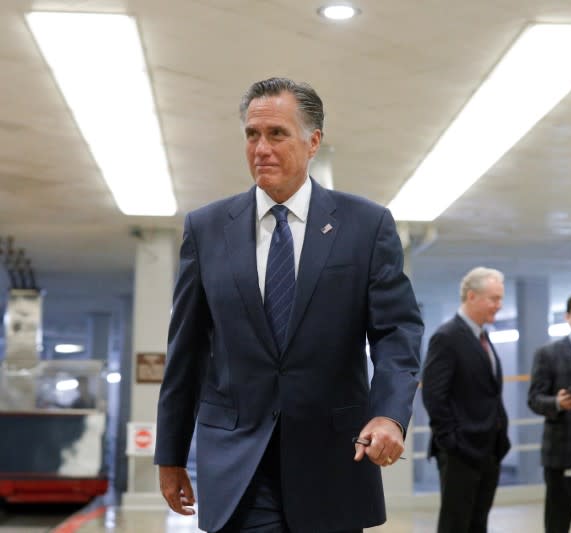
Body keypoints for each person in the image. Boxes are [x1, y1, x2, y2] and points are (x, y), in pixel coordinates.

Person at [154, 77, 424, 533]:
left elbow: (396, 334)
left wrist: (390, 413)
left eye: (276, 134)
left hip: (332, 458)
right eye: (252, 135)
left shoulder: (365, 225)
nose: (261, 148)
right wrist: (171, 454)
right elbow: (187, 350)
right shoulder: (207, 228)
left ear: (312, 141)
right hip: (238, 461)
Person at [421, 267, 511, 533]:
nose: (499, 305)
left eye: (500, 298)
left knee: (477, 523)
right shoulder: (447, 337)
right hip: (461, 451)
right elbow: (434, 396)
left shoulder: (481, 336)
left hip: (488, 449)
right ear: (471, 296)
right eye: (494, 298)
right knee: (456, 524)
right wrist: (451, 441)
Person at [528, 290, 571, 533]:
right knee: (557, 524)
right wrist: (556, 403)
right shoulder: (549, 354)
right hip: (562, 455)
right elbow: (534, 399)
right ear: (568, 316)